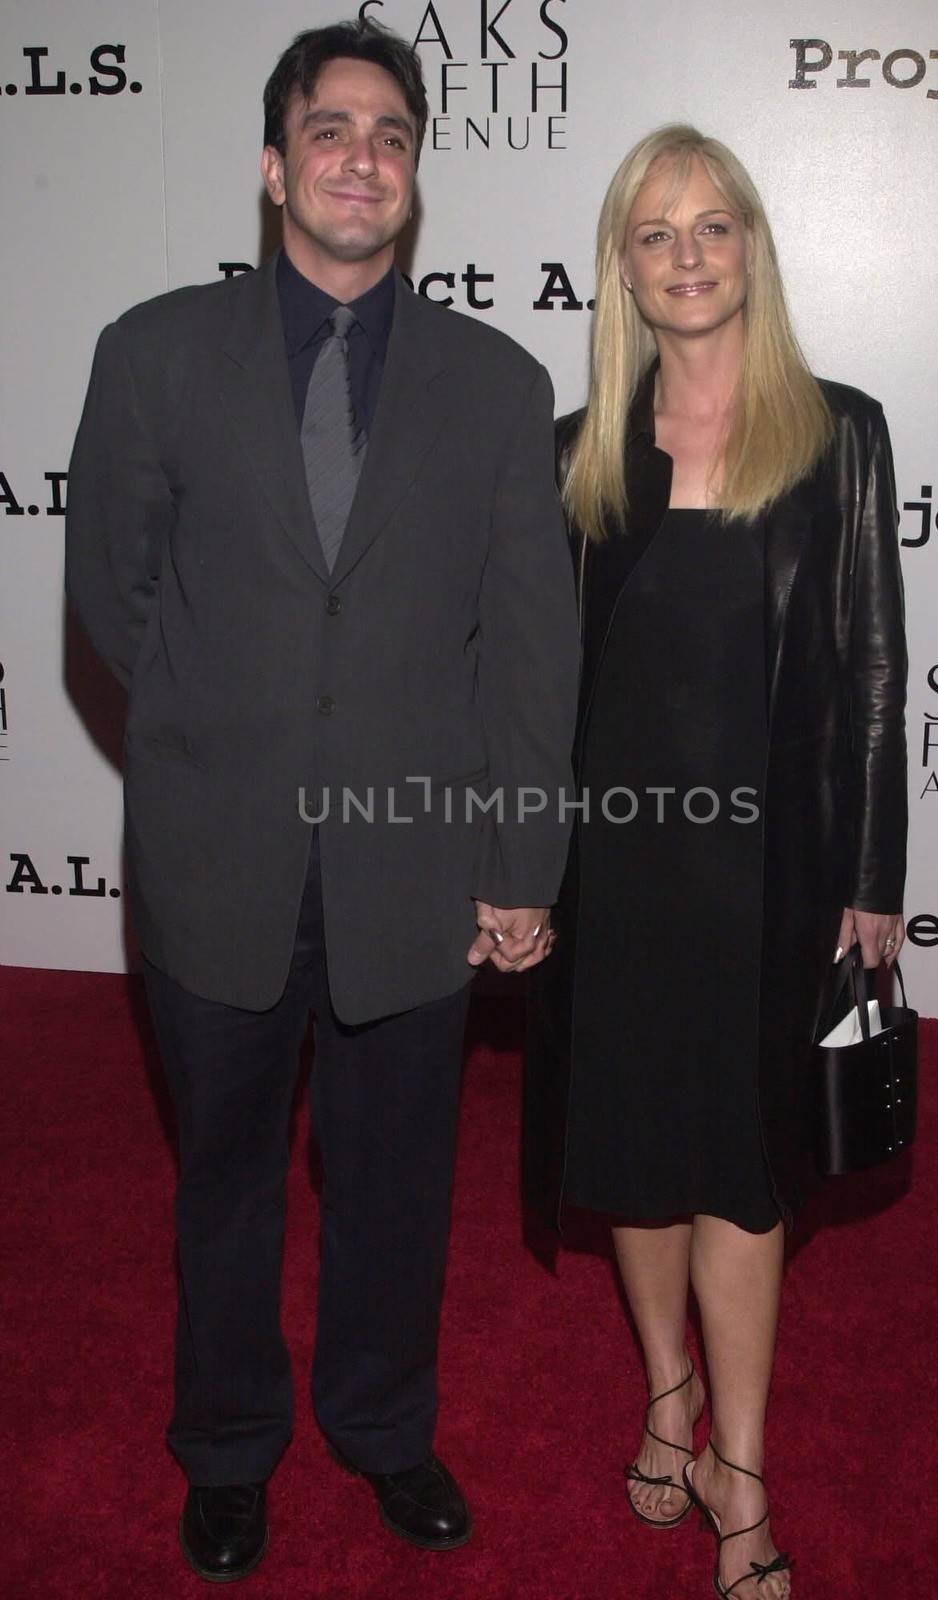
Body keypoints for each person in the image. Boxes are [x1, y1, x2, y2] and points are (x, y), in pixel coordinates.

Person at [66, 19, 578, 1583]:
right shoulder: (151, 352)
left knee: (396, 1181)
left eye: (394, 136)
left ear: (413, 180)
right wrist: (233, 728)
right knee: (220, 1179)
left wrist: (519, 863)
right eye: (333, 128)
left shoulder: (499, 383)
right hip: (216, 854)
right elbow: (111, 594)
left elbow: (528, 643)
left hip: (414, 867)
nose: (364, 156)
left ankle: (378, 1426)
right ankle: (226, 1444)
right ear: (274, 164)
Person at [526, 124, 907, 1598]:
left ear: (750, 243)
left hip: (767, 877)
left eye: (711, 226)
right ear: (622, 266)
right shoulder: (576, 451)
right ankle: (664, 1398)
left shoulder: (836, 429)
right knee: (631, 1161)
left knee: (743, 1173)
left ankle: (737, 1471)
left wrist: (869, 869)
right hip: (614, 873)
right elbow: (541, 684)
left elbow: (872, 663)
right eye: (652, 232)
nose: (685, 255)